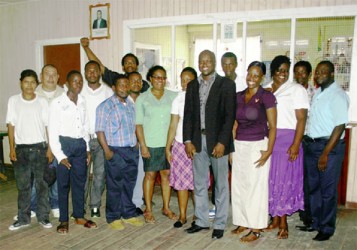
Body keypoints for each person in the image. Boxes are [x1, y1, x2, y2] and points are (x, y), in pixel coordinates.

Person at [183, 50, 236, 239]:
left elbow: (230, 117)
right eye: (201, 61)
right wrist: (188, 141)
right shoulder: (191, 86)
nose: (204, 64)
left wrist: (223, 142)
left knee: (221, 184)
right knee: (199, 183)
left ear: (214, 63)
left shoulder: (227, 85)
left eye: (208, 61)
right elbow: (188, 115)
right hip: (197, 141)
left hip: (218, 143)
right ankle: (201, 221)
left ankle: (220, 223)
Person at [231, 61, 277, 242]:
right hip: (239, 144)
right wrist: (230, 149)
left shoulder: (267, 96)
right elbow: (234, 123)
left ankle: (256, 227)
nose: (251, 78)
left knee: (255, 187)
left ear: (262, 78)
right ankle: (242, 221)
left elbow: (273, 127)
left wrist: (269, 150)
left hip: (258, 144)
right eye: (250, 74)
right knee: (239, 185)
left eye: (256, 75)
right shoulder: (238, 96)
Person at [304, 61, 349, 241]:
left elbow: (339, 127)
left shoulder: (337, 95)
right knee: (313, 188)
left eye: (324, 71)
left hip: (329, 148)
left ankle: (327, 228)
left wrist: (325, 154)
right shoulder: (319, 93)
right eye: (317, 72)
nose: (319, 74)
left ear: (332, 74)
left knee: (327, 190)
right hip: (313, 146)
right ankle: (315, 222)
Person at [265, 55, 309, 239]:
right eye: (279, 70)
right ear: (273, 70)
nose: (283, 73)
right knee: (272, 180)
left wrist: (296, 144)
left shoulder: (296, 89)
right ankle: (275, 220)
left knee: (282, 181)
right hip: (269, 140)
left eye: (285, 70)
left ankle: (283, 224)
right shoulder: (266, 89)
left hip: (287, 140)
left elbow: (301, 119)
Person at [49, 70, 97, 234]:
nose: (78, 84)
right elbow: (53, 132)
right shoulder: (57, 103)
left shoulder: (82, 101)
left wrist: (88, 148)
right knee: (63, 185)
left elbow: (85, 126)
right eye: (75, 82)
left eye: (80, 82)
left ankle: (79, 215)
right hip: (64, 146)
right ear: (67, 84)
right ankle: (63, 220)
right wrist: (60, 156)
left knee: (79, 183)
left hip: (80, 146)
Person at [96, 74, 144, 230]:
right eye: (120, 85)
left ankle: (128, 213)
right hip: (115, 150)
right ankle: (113, 216)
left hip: (131, 150)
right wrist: (107, 151)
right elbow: (100, 130)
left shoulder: (130, 105)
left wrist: (136, 143)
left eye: (126, 85)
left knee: (129, 184)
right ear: (114, 88)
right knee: (115, 185)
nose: (124, 87)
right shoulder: (105, 106)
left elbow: (134, 126)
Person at [7, 69, 52, 230]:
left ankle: (43, 217)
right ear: (21, 83)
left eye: (33, 82)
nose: (29, 85)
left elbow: (48, 126)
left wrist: (50, 149)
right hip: (21, 151)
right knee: (23, 187)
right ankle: (23, 218)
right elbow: (10, 125)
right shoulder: (13, 101)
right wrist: (11, 148)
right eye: (26, 82)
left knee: (42, 186)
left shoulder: (42, 102)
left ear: (36, 84)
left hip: (40, 149)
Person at [135, 65, 177, 224]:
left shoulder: (173, 96)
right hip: (150, 144)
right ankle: (148, 209)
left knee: (166, 175)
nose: (160, 80)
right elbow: (138, 124)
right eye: (157, 77)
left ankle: (166, 208)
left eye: (163, 77)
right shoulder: (142, 98)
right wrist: (143, 145)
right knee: (150, 175)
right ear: (150, 79)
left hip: (168, 144)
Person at [165, 67, 197, 228]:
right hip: (179, 145)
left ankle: (198, 216)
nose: (185, 83)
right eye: (183, 80)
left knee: (197, 184)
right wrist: (167, 146)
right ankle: (183, 216)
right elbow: (173, 124)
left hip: (197, 147)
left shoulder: (201, 98)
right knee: (182, 184)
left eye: (189, 79)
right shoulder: (177, 99)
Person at [81, 60, 113, 218]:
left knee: (100, 174)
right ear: (85, 72)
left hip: (102, 140)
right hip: (83, 139)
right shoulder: (79, 91)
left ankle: (95, 206)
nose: (92, 73)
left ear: (100, 73)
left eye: (95, 70)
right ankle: (80, 207)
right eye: (89, 71)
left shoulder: (107, 91)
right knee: (82, 175)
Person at [80, 37, 150, 92]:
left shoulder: (143, 85)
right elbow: (99, 66)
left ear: (137, 66)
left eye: (132, 63)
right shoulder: (117, 78)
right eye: (126, 63)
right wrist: (86, 48)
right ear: (123, 67)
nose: (130, 65)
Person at [293, 60, 314, 230]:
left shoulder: (315, 93)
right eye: (297, 72)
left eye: (303, 72)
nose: (300, 76)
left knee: (307, 179)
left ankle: (308, 215)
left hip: (308, 141)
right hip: (292, 140)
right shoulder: (290, 91)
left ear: (309, 74)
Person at [127, 71, 145, 215]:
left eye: (139, 81)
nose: (136, 83)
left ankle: (136, 203)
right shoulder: (121, 100)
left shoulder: (145, 100)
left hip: (141, 143)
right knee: (125, 176)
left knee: (140, 174)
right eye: (133, 81)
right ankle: (124, 203)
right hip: (125, 145)